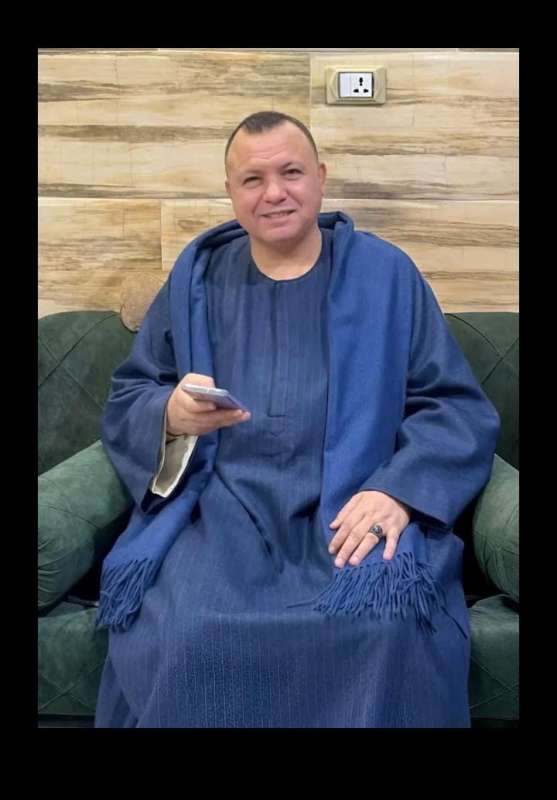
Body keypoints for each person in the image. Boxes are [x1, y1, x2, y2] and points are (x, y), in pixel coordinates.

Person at [94, 111, 500, 728]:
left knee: (383, 625)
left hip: (352, 509)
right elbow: (133, 393)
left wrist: (399, 492)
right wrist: (169, 412)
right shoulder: (196, 278)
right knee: (189, 627)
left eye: (291, 173)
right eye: (252, 179)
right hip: (222, 511)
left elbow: (454, 406)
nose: (275, 193)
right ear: (230, 192)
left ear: (321, 177)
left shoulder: (386, 274)